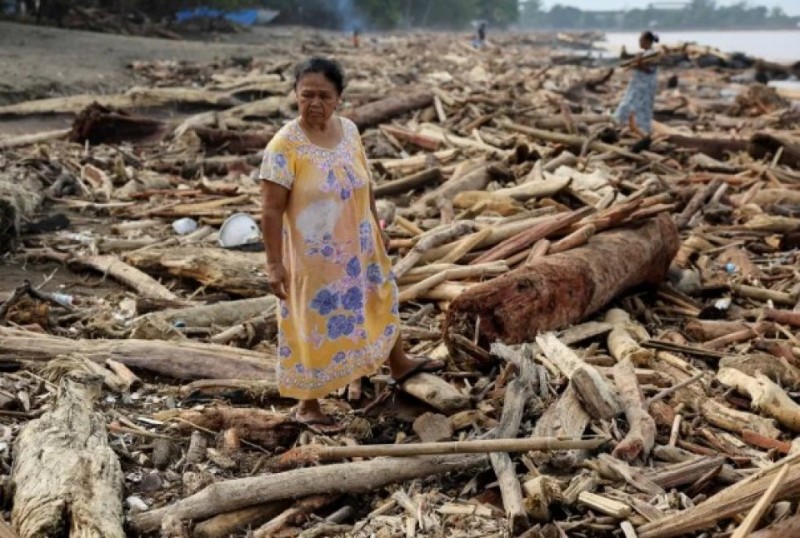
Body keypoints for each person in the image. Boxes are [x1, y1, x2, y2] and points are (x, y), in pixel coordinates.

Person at [260, 57, 444, 428]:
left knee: (381, 297)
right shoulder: (284, 146)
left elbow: (366, 183)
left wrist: (376, 225)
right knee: (312, 321)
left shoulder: (349, 132)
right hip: (315, 257)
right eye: (306, 94)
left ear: (339, 98)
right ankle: (309, 405)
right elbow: (270, 211)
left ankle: (398, 363)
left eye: (323, 96)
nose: (314, 103)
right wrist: (274, 263)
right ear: (295, 95)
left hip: (360, 243)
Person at [614, 31, 660, 139]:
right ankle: (628, 125)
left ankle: (640, 129)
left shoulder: (652, 54)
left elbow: (649, 70)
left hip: (644, 86)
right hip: (638, 84)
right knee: (630, 104)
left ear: (647, 41)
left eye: (641, 40)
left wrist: (639, 63)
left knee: (640, 107)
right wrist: (636, 62)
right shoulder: (644, 53)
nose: (639, 42)